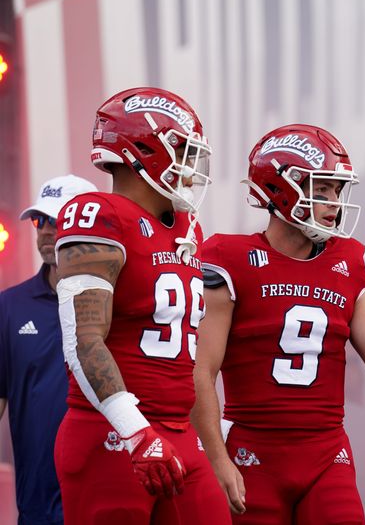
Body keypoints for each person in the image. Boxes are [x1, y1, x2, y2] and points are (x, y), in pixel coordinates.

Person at [192, 123, 365, 525]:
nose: (334, 203)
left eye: (337, 191)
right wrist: (217, 458)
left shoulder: (348, 259)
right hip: (253, 451)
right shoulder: (230, 257)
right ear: (282, 188)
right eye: (322, 189)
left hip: (328, 454)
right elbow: (200, 371)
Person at [53, 87, 230, 524]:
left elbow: (187, 355)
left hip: (178, 432)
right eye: (184, 153)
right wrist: (135, 432)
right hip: (112, 437)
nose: (191, 168)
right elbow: (82, 339)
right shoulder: (99, 215)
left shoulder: (187, 228)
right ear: (144, 153)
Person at [0, 174, 97, 524]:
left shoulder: (126, 304)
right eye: (40, 220)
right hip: (38, 511)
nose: (44, 230)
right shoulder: (9, 307)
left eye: (57, 221)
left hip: (111, 503)